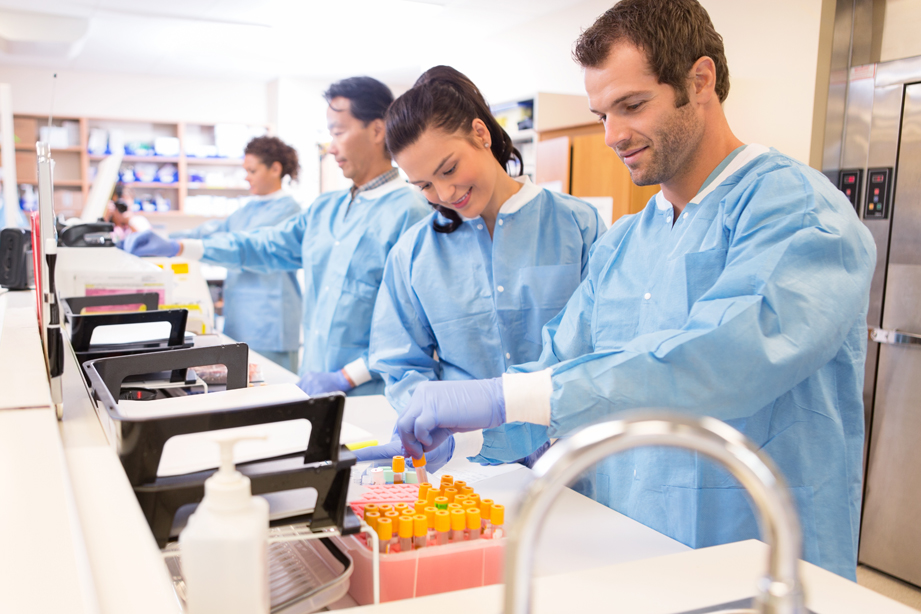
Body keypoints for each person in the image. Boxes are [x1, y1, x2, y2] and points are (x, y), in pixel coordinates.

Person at [391, 0, 876, 581]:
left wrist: (502, 397)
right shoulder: (625, 242)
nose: (612, 136)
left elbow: (719, 360)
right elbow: (562, 364)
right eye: (601, 114)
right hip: (631, 541)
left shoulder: (797, 212)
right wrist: (467, 427)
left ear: (700, 80)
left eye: (632, 106)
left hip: (761, 554)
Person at [357, 66, 605, 470]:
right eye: (424, 186)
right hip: (466, 460)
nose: (445, 194)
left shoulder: (578, 225)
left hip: (574, 456)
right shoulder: (414, 252)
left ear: (481, 134)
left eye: (449, 169)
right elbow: (400, 363)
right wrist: (429, 425)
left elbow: (602, 344)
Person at [125, 77, 430, 394]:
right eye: (330, 134)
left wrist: (348, 376)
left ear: (378, 130)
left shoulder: (411, 212)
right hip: (316, 380)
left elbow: (415, 323)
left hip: (376, 391)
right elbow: (263, 245)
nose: (332, 147)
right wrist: (179, 246)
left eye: (339, 132)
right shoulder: (327, 208)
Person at [168, 136, 303, 371]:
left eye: (252, 170)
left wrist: (180, 247)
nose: (246, 177)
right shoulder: (247, 210)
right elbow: (209, 232)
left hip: (270, 322)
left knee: (275, 391)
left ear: (275, 169)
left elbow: (242, 246)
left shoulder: (290, 211)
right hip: (239, 317)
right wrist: (166, 240)